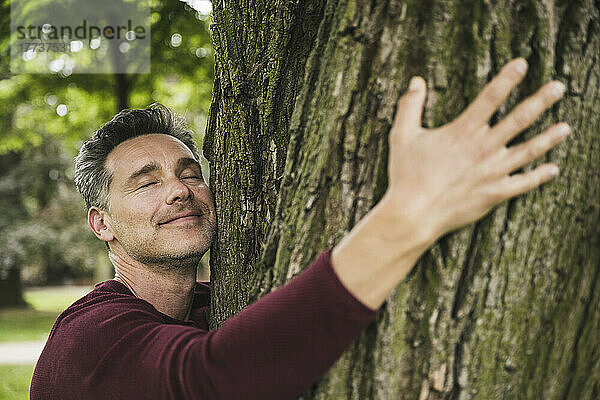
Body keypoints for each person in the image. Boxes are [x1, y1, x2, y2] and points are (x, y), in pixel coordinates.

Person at [30, 58, 568, 399]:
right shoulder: (87, 341)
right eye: (146, 183)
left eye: (190, 173)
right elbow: (216, 378)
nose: (178, 190)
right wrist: (413, 212)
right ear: (101, 224)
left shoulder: (211, 303)